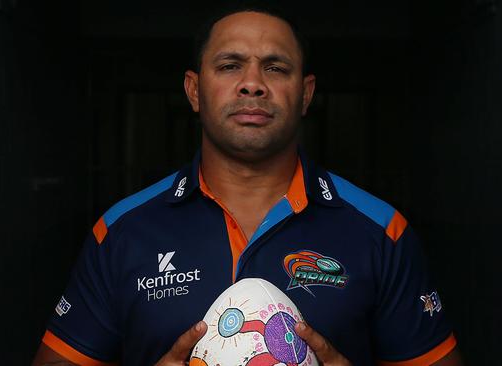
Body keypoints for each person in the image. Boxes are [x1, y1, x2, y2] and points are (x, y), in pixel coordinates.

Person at [32, 5, 464, 366]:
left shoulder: (382, 232)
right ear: (194, 90)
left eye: (275, 68)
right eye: (230, 65)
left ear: (306, 94)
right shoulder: (122, 232)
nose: (253, 83)